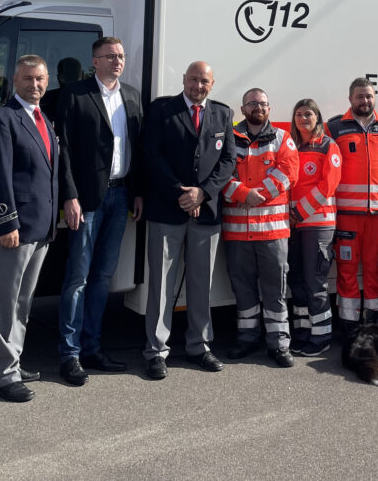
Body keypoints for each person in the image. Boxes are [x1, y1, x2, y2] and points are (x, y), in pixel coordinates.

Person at [140, 61, 236, 380]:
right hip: (167, 208)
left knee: (201, 284)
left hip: (206, 212)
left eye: (204, 81)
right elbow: (152, 155)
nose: (198, 86)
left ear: (212, 84)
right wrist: (180, 193)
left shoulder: (222, 114)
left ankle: (199, 346)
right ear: (183, 79)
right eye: (193, 79)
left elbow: (228, 161)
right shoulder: (162, 110)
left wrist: (202, 193)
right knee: (161, 285)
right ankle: (156, 351)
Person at [55, 37, 142, 386]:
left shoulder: (132, 96)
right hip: (87, 200)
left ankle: (92, 347)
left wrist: (137, 192)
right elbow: (63, 149)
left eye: (121, 56)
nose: (117, 61)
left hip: (120, 197)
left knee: (103, 277)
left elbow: (137, 147)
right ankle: (70, 354)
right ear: (95, 61)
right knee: (77, 278)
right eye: (110, 56)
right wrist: (70, 196)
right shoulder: (75, 94)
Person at [0, 55, 59, 402]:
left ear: (47, 81)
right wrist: (6, 222)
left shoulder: (44, 119)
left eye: (40, 79)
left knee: (22, 303)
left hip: (40, 226)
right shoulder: (1, 118)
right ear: (15, 81)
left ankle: (7, 361)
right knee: (4, 304)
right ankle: (3, 377)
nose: (34, 85)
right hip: (15, 227)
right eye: (28, 78)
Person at [223, 88, 299, 367]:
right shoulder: (229, 137)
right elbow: (219, 172)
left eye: (264, 103)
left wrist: (257, 195)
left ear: (270, 108)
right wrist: (243, 193)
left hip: (272, 231)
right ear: (243, 109)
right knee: (242, 288)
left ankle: (279, 344)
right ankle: (247, 338)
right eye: (253, 103)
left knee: (275, 290)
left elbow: (289, 172)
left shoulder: (282, 138)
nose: (259, 107)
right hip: (237, 232)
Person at [327, 78, 378, 330]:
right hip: (347, 214)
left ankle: (373, 323)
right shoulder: (335, 127)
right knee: (347, 269)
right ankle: (348, 324)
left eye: (369, 96)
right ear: (350, 99)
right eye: (360, 96)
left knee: (375, 268)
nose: (365, 101)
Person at [287, 99, 341, 356]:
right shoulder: (293, 146)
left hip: (318, 223)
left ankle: (321, 336)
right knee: (297, 281)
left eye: (308, 114)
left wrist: (299, 212)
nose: (303, 118)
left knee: (315, 282)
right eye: (298, 114)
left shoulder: (329, 145)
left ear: (317, 117)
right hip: (293, 225)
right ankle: (302, 332)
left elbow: (328, 185)